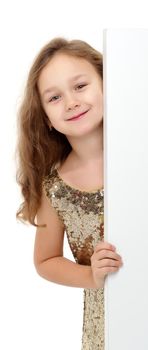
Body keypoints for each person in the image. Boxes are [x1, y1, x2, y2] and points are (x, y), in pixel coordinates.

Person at [16, 37, 123, 350]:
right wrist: (92, 276)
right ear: (45, 118)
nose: (72, 102)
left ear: (107, 82)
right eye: (54, 97)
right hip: (108, 326)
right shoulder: (56, 187)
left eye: (80, 86)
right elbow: (46, 259)